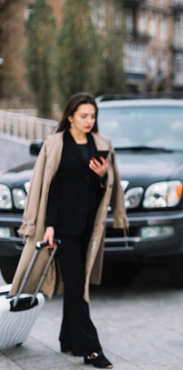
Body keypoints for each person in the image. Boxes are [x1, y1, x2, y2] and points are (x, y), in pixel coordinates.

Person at [10, 92, 128, 369]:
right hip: (64, 228)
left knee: (77, 284)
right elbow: (50, 188)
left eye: (93, 116)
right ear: (71, 116)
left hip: (91, 225)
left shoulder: (101, 143)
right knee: (76, 287)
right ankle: (91, 349)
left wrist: (102, 177)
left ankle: (68, 339)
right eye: (84, 116)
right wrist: (49, 226)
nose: (89, 121)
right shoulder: (55, 144)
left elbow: (106, 188)